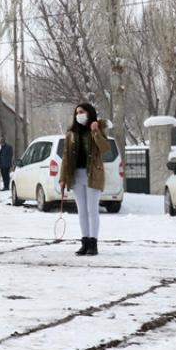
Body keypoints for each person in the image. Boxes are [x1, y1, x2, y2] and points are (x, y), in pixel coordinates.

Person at [59, 102, 109, 256]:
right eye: (77, 112)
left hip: (92, 173)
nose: (78, 115)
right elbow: (66, 157)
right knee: (81, 211)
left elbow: (105, 148)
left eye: (81, 112)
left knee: (92, 209)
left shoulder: (98, 128)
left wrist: (95, 132)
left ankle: (93, 243)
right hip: (76, 175)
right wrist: (63, 178)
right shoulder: (71, 133)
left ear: (89, 113)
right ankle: (85, 241)